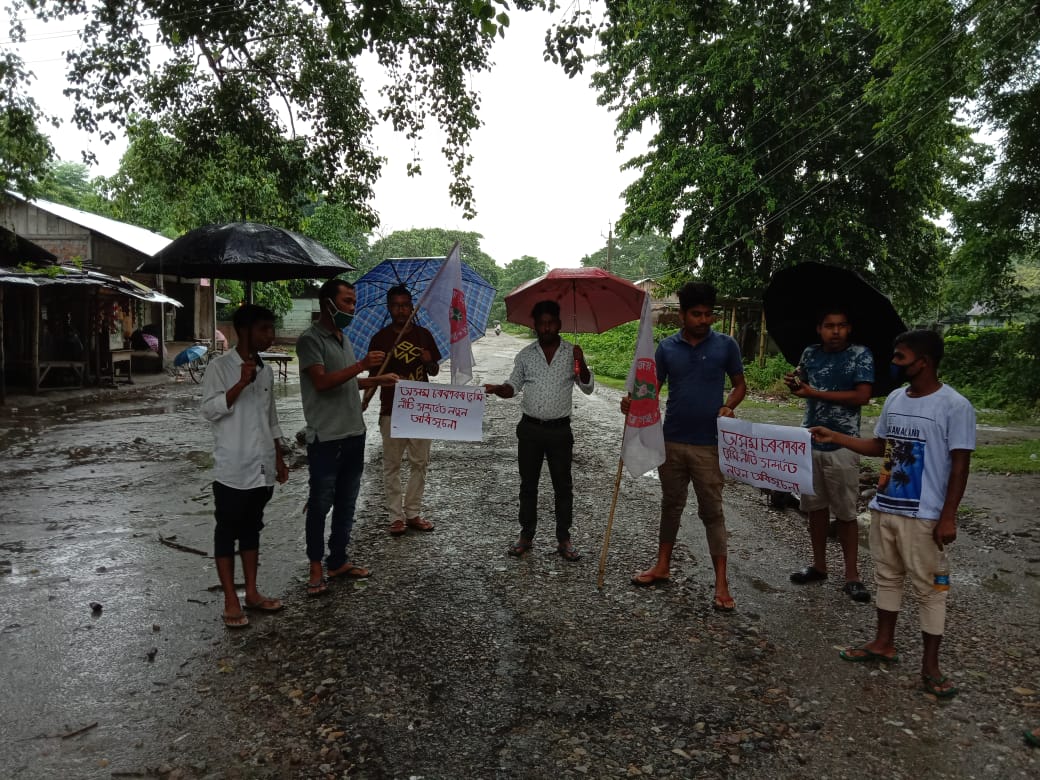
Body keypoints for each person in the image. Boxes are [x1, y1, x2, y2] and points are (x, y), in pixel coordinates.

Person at [810, 329, 975, 699]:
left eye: (901, 357)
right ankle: (884, 642)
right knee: (887, 577)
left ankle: (931, 667)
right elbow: (880, 446)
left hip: (925, 515)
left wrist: (948, 516)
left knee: (932, 589)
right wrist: (836, 436)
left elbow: (960, 466)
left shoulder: (955, 406)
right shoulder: (896, 399)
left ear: (924, 361)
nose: (894, 363)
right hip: (886, 506)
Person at [621, 281, 746, 611]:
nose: (704, 320)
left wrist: (730, 405)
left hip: (709, 445)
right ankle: (662, 565)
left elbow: (739, 385)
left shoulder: (726, 346)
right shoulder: (666, 349)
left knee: (713, 513)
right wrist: (633, 404)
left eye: (708, 315)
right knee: (671, 505)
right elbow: (651, 389)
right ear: (682, 315)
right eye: (697, 314)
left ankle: (722, 584)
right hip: (672, 440)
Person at [297, 278, 398, 596]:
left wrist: (377, 379)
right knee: (319, 504)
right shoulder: (310, 340)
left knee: (346, 504)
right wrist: (360, 366)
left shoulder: (344, 337)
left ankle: (337, 560)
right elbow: (323, 382)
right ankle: (316, 568)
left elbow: (346, 383)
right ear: (328, 303)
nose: (352, 308)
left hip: (354, 433)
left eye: (354, 302)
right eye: (347, 302)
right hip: (326, 438)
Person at [484, 300, 593, 561]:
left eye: (551, 322)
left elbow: (587, 388)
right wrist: (501, 389)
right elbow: (513, 385)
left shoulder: (571, 353)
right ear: (535, 326)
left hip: (560, 432)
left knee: (563, 486)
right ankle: (526, 535)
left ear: (559, 324)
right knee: (528, 485)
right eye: (541, 323)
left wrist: (582, 362)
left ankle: (564, 539)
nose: (546, 327)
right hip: (530, 430)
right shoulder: (525, 355)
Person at [200, 304, 288, 629]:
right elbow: (209, 410)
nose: (271, 335)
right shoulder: (219, 367)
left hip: (261, 467)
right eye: (264, 329)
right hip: (232, 468)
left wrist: (278, 456)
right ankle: (230, 599)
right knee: (226, 533)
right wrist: (239, 383)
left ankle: (251, 592)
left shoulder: (264, 370)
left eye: (272, 328)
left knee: (252, 531)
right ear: (244, 330)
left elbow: (271, 417)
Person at [784, 307, 874, 603]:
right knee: (815, 508)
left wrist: (814, 393)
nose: (835, 331)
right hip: (809, 441)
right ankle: (819, 565)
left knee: (846, 512)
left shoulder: (861, 354)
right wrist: (795, 382)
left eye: (841, 326)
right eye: (829, 326)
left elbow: (862, 396)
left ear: (849, 329)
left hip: (843, 444)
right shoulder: (810, 353)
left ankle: (852, 576)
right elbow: (801, 381)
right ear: (819, 329)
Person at [367, 284, 442, 536]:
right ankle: (395, 517)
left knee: (420, 462)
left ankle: (413, 513)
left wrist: (428, 360)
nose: (401, 310)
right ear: (389, 308)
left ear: (412, 306)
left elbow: (434, 371)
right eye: (396, 305)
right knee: (392, 464)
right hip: (391, 409)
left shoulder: (424, 335)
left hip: (420, 408)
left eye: (405, 305)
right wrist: (376, 382)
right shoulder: (380, 339)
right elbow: (372, 377)